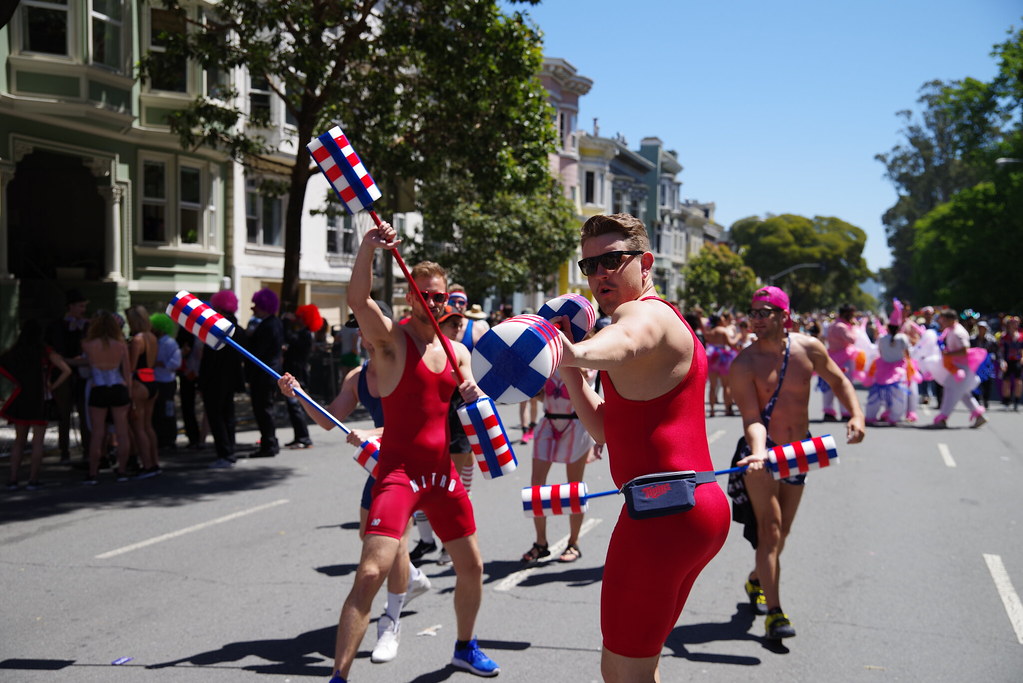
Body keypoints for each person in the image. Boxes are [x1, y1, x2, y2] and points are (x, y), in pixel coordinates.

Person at [552, 213, 728, 683]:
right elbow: (607, 429)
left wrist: (562, 349)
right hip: (689, 509)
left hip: (663, 514)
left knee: (621, 670)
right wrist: (569, 363)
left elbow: (624, 341)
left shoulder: (642, 315)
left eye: (612, 260)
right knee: (638, 665)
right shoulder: (655, 318)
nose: (599, 274)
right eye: (589, 265)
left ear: (645, 262)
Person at [327, 221, 499, 683]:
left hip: (442, 476)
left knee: (472, 566)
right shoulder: (391, 341)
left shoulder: (457, 350)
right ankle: (339, 676)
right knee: (369, 572)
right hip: (399, 474)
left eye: (440, 295)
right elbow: (359, 301)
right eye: (425, 292)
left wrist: (472, 391)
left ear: (448, 300)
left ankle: (465, 647)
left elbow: (477, 403)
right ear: (410, 295)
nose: (434, 301)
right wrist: (368, 247)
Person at [278, 319, 431, 666]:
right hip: (382, 464)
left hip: (414, 464)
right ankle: (413, 578)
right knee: (370, 540)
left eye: (367, 327)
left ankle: (390, 623)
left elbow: (418, 419)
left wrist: (374, 432)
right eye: (359, 329)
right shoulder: (357, 376)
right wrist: (299, 393)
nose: (362, 335)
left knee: (396, 544)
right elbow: (330, 418)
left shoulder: (409, 368)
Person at [729, 286, 865, 640]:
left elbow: (839, 380)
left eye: (764, 312)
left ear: (783, 315)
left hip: (800, 453)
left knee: (783, 532)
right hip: (763, 453)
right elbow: (752, 418)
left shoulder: (809, 348)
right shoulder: (743, 363)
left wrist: (857, 415)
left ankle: (757, 579)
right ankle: (775, 613)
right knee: (770, 530)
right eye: (753, 312)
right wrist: (758, 451)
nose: (755, 319)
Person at [520, 364, 597, 565]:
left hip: (576, 426)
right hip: (548, 424)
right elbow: (541, 396)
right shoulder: (546, 360)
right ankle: (541, 543)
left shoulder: (585, 358)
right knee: (536, 486)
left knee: (574, 488)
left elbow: (588, 388)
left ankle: (573, 542)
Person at [1, 319, 72, 489]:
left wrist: (16, 381)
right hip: (41, 399)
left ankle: (13, 478)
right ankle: (33, 479)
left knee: (19, 440)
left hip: (21, 396)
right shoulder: (45, 351)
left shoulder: (16, 351)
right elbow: (67, 370)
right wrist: (52, 385)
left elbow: (3, 364)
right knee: (37, 442)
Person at [80, 311, 134, 484]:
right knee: (122, 432)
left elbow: (85, 365)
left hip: (99, 387)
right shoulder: (120, 345)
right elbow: (127, 373)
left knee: (97, 432)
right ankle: (122, 470)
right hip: (118, 387)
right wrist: (130, 395)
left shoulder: (88, 344)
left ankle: (93, 472)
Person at [201, 290, 247, 468]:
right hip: (231, 379)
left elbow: (208, 359)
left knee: (216, 416)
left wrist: (202, 381)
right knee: (228, 415)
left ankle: (225, 453)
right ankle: (230, 450)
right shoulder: (239, 330)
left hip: (214, 379)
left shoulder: (215, 329)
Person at [46, 288, 90, 460]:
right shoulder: (56, 326)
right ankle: (64, 449)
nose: (83, 310)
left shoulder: (86, 326)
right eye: (80, 306)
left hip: (82, 374)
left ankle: (87, 448)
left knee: (85, 413)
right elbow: (54, 348)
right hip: (62, 374)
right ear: (70, 307)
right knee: (63, 414)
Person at [245, 288, 284, 457]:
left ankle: (268, 444)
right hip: (268, 373)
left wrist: (249, 338)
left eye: (256, 305)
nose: (253, 308)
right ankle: (270, 442)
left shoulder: (268, 325)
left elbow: (258, 350)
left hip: (264, 375)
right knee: (265, 409)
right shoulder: (273, 323)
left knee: (263, 410)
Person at [933, 309, 986, 428]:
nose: (941, 322)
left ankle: (943, 418)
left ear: (949, 319)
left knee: (949, 391)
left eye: (943, 320)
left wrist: (948, 354)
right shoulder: (951, 330)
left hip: (961, 369)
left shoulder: (958, 332)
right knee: (963, 393)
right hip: (956, 368)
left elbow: (964, 350)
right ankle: (978, 415)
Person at [125, 305, 160, 477]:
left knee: (138, 428)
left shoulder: (137, 340)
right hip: (152, 379)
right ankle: (154, 462)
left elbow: (130, 367)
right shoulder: (153, 337)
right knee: (148, 426)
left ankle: (147, 465)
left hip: (139, 382)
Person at [281, 304, 320, 449]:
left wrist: (285, 322)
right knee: (294, 408)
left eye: (300, 317)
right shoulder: (304, 333)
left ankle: (304, 438)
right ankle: (299, 436)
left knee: (296, 407)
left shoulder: (305, 334)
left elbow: (290, 338)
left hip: (298, 375)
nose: (298, 319)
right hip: (297, 373)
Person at [150, 312, 182, 453]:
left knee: (167, 410)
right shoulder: (154, 342)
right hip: (156, 380)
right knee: (156, 411)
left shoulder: (170, 343)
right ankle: (159, 438)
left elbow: (176, 362)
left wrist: (159, 364)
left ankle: (169, 438)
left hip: (167, 381)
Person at [821, 303, 858, 422]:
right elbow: (852, 339)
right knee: (844, 384)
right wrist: (854, 328)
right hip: (843, 357)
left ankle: (828, 410)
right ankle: (845, 411)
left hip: (832, 356)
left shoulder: (833, 324)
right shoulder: (842, 326)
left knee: (829, 385)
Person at [705, 313, 739, 417]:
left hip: (712, 357)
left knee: (712, 386)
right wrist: (738, 336)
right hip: (723, 357)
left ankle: (711, 410)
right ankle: (728, 409)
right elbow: (731, 344)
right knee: (726, 385)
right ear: (719, 321)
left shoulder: (710, 332)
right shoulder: (723, 330)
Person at [998, 316, 1022, 410]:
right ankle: (1006, 401)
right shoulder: (1004, 336)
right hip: (1007, 361)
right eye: (1012, 322)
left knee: (1018, 381)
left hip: (1017, 360)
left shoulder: (1021, 336)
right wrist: (1002, 361)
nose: (1014, 324)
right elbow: (1000, 350)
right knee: (1006, 381)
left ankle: (1016, 401)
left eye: (1016, 322)